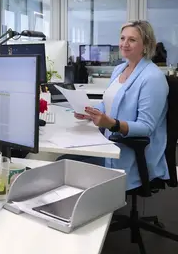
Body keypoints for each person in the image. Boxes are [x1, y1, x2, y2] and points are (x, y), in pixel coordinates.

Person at [61, 20, 169, 190]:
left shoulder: (153, 78)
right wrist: (90, 112)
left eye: (132, 40)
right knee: (63, 161)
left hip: (129, 155)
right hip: (109, 144)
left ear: (146, 45)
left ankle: (95, 202)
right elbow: (108, 104)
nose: (124, 44)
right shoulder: (120, 69)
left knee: (64, 168)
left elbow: (146, 127)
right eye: (122, 38)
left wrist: (112, 124)